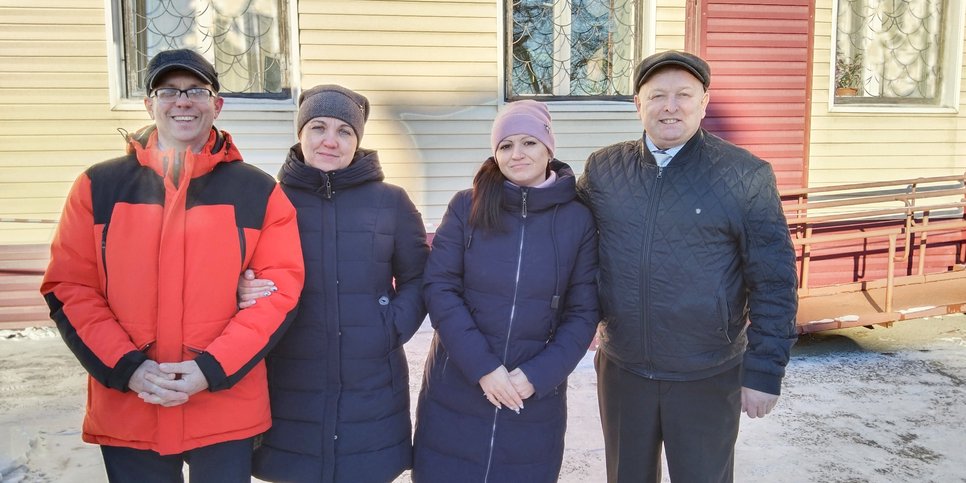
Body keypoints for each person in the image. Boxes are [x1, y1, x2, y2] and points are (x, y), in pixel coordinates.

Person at [39, 48, 305, 482]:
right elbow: (70, 288)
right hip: (130, 407)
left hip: (222, 407)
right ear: (149, 104)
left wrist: (210, 370)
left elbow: (280, 292)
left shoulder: (259, 191)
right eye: (169, 90)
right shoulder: (97, 186)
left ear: (216, 105)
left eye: (197, 90)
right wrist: (129, 368)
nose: (183, 101)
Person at [576, 50, 798, 483]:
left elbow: (774, 279)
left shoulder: (745, 176)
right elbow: (567, 238)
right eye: (657, 95)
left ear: (704, 102)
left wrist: (765, 370)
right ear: (638, 104)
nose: (670, 106)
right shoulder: (604, 170)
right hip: (624, 370)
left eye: (683, 94)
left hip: (707, 373)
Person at [241, 84, 430, 483]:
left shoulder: (391, 201)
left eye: (344, 130)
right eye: (318, 128)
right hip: (289, 374)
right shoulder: (267, 199)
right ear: (300, 133)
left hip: (371, 380)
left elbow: (418, 277)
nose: (331, 140)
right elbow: (232, 271)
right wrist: (242, 289)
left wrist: (389, 328)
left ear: (357, 140)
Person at [411, 100, 599, 483]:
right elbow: (441, 288)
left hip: (531, 397)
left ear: (549, 148)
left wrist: (537, 376)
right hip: (458, 387)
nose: (517, 154)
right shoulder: (468, 206)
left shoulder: (577, 218)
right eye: (506, 145)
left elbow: (583, 310)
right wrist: (483, 368)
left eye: (529, 142)